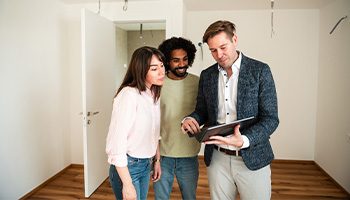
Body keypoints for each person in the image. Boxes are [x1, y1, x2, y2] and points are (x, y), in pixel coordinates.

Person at [181, 20, 279, 199]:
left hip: (253, 156)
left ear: (235, 39)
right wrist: (190, 119)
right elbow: (202, 110)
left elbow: (271, 118)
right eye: (213, 50)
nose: (219, 54)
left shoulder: (261, 71)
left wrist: (245, 140)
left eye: (223, 47)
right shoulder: (207, 75)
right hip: (217, 158)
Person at [106, 46, 165, 200]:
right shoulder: (129, 95)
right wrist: (127, 183)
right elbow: (116, 143)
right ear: (141, 70)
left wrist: (156, 159)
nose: (161, 71)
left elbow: (154, 131)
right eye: (154, 68)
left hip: (146, 164)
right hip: (128, 166)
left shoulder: (153, 93)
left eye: (162, 65)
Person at [153, 37, 201, 200]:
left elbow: (205, 113)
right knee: (161, 198)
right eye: (176, 60)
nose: (182, 64)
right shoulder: (157, 83)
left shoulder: (198, 82)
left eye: (185, 59)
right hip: (163, 155)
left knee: (189, 197)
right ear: (167, 62)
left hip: (189, 154)